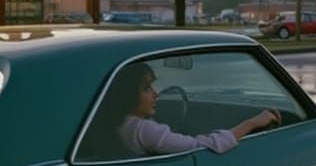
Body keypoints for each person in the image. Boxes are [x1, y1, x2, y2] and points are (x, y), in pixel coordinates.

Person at [111, 62, 280, 156]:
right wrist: (252, 123)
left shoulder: (118, 124)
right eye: (147, 89)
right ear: (129, 94)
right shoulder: (143, 129)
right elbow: (200, 147)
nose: (156, 94)